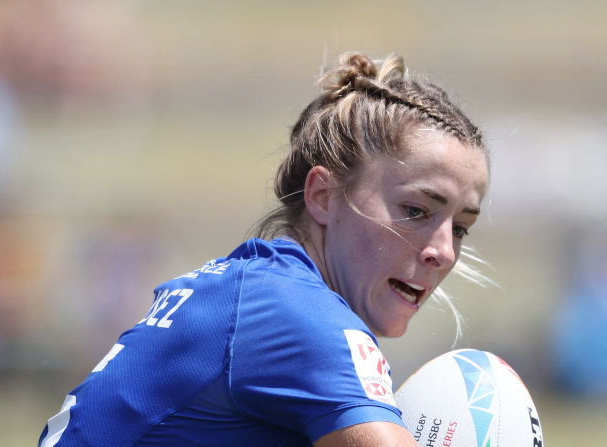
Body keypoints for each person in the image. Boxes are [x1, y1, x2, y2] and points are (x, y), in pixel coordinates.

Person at [38, 51, 489, 447]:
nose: (444, 251)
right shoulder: (299, 317)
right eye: (415, 210)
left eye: (461, 228)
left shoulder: (252, 292)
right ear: (323, 196)